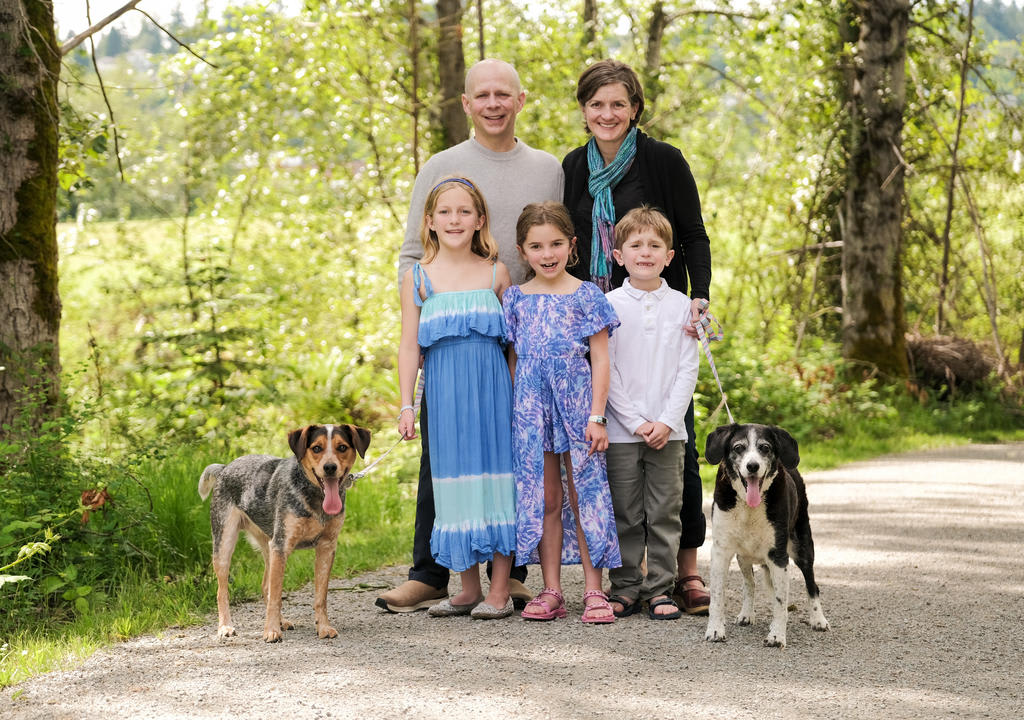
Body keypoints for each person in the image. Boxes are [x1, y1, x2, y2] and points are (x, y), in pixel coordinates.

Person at [379, 58, 564, 613]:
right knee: (444, 461)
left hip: (514, 329)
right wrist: (425, 301)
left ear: (520, 100)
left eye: (502, 94)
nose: (492, 103)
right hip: (448, 328)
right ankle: (433, 573)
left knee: (512, 459)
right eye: (481, 94)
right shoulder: (442, 165)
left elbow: (560, 233)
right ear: (466, 103)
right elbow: (412, 251)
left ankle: (514, 574)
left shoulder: (547, 167)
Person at [562, 58, 713, 614]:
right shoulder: (575, 165)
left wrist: (698, 298)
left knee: (678, 447)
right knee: (613, 454)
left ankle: (685, 572)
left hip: (661, 316)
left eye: (618, 104)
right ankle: (622, 577)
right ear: (584, 110)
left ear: (634, 109)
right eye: (597, 104)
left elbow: (694, 234)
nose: (607, 113)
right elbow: (569, 240)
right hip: (599, 318)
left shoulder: (662, 160)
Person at [397, 176, 517, 620]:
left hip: (492, 392)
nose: (454, 219)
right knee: (452, 487)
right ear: (428, 222)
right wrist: (407, 404)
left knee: (497, 482)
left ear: (480, 220)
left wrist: (514, 395)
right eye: (444, 212)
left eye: (464, 211)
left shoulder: (496, 272)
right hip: (444, 398)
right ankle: (467, 588)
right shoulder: (418, 277)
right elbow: (410, 345)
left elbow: (513, 345)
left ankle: (499, 589)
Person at [503, 201, 621, 624]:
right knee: (547, 498)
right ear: (522, 251)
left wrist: (597, 415)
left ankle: (594, 589)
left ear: (572, 246)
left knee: (583, 493)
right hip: (532, 408)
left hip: (577, 404)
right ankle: (551, 589)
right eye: (536, 246)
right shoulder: (515, 298)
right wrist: (516, 414)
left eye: (555, 243)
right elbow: (514, 360)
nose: (547, 253)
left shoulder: (587, 294)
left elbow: (601, 359)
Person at [603, 207, 700, 620]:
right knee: (625, 510)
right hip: (623, 431)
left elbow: (687, 369)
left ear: (669, 256)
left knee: (664, 512)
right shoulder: (607, 304)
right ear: (619, 254)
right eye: (636, 245)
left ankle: (660, 588)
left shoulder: (683, 307)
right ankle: (625, 586)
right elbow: (606, 370)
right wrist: (635, 421)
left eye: (654, 246)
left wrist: (665, 421)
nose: (645, 252)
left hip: (669, 432)